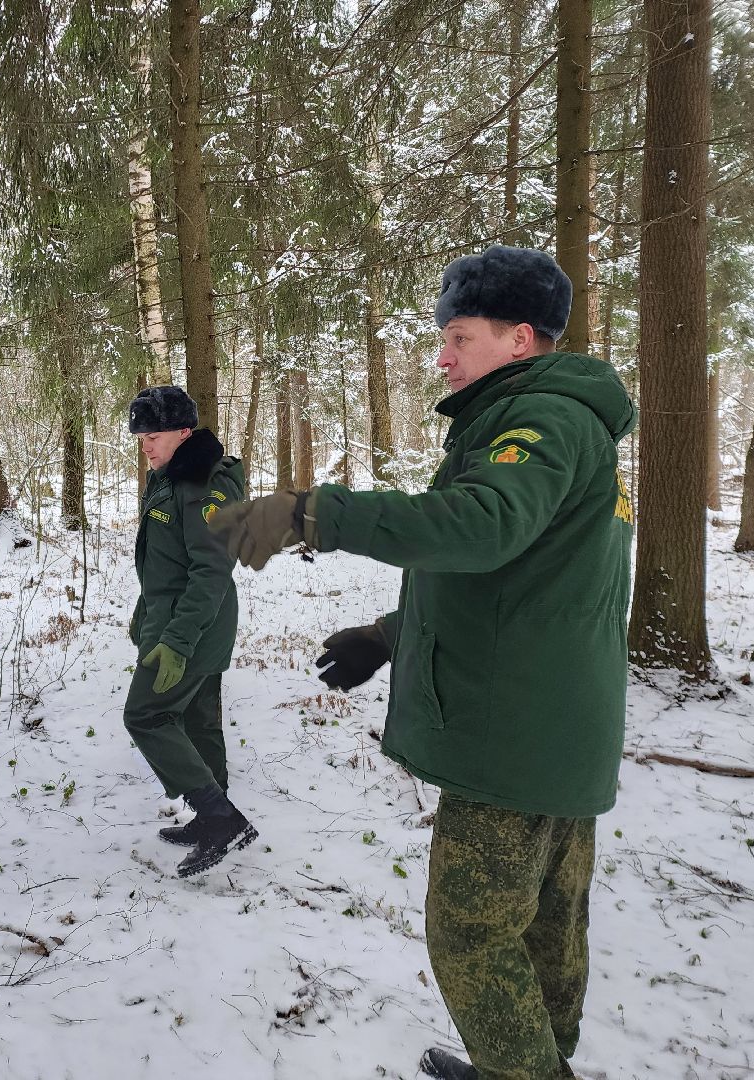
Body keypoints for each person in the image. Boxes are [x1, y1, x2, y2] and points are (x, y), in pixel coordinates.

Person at [209, 246, 636, 1080]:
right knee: (547, 923)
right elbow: (525, 584)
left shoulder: (540, 422)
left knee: (472, 934)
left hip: (510, 733)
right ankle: (538, 1062)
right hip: (556, 722)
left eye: (458, 335)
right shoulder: (555, 419)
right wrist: (390, 634)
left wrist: (310, 514)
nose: (441, 355)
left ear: (519, 339)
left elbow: (479, 528)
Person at [124, 385, 253, 878]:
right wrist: (145, 611)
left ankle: (220, 817)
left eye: (154, 435)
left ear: (183, 432)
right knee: (198, 719)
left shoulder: (202, 485)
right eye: (140, 437)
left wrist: (176, 640)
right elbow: (166, 562)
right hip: (176, 618)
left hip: (193, 626)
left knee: (146, 714)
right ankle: (211, 815)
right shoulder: (168, 477)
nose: (146, 446)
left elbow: (211, 571)